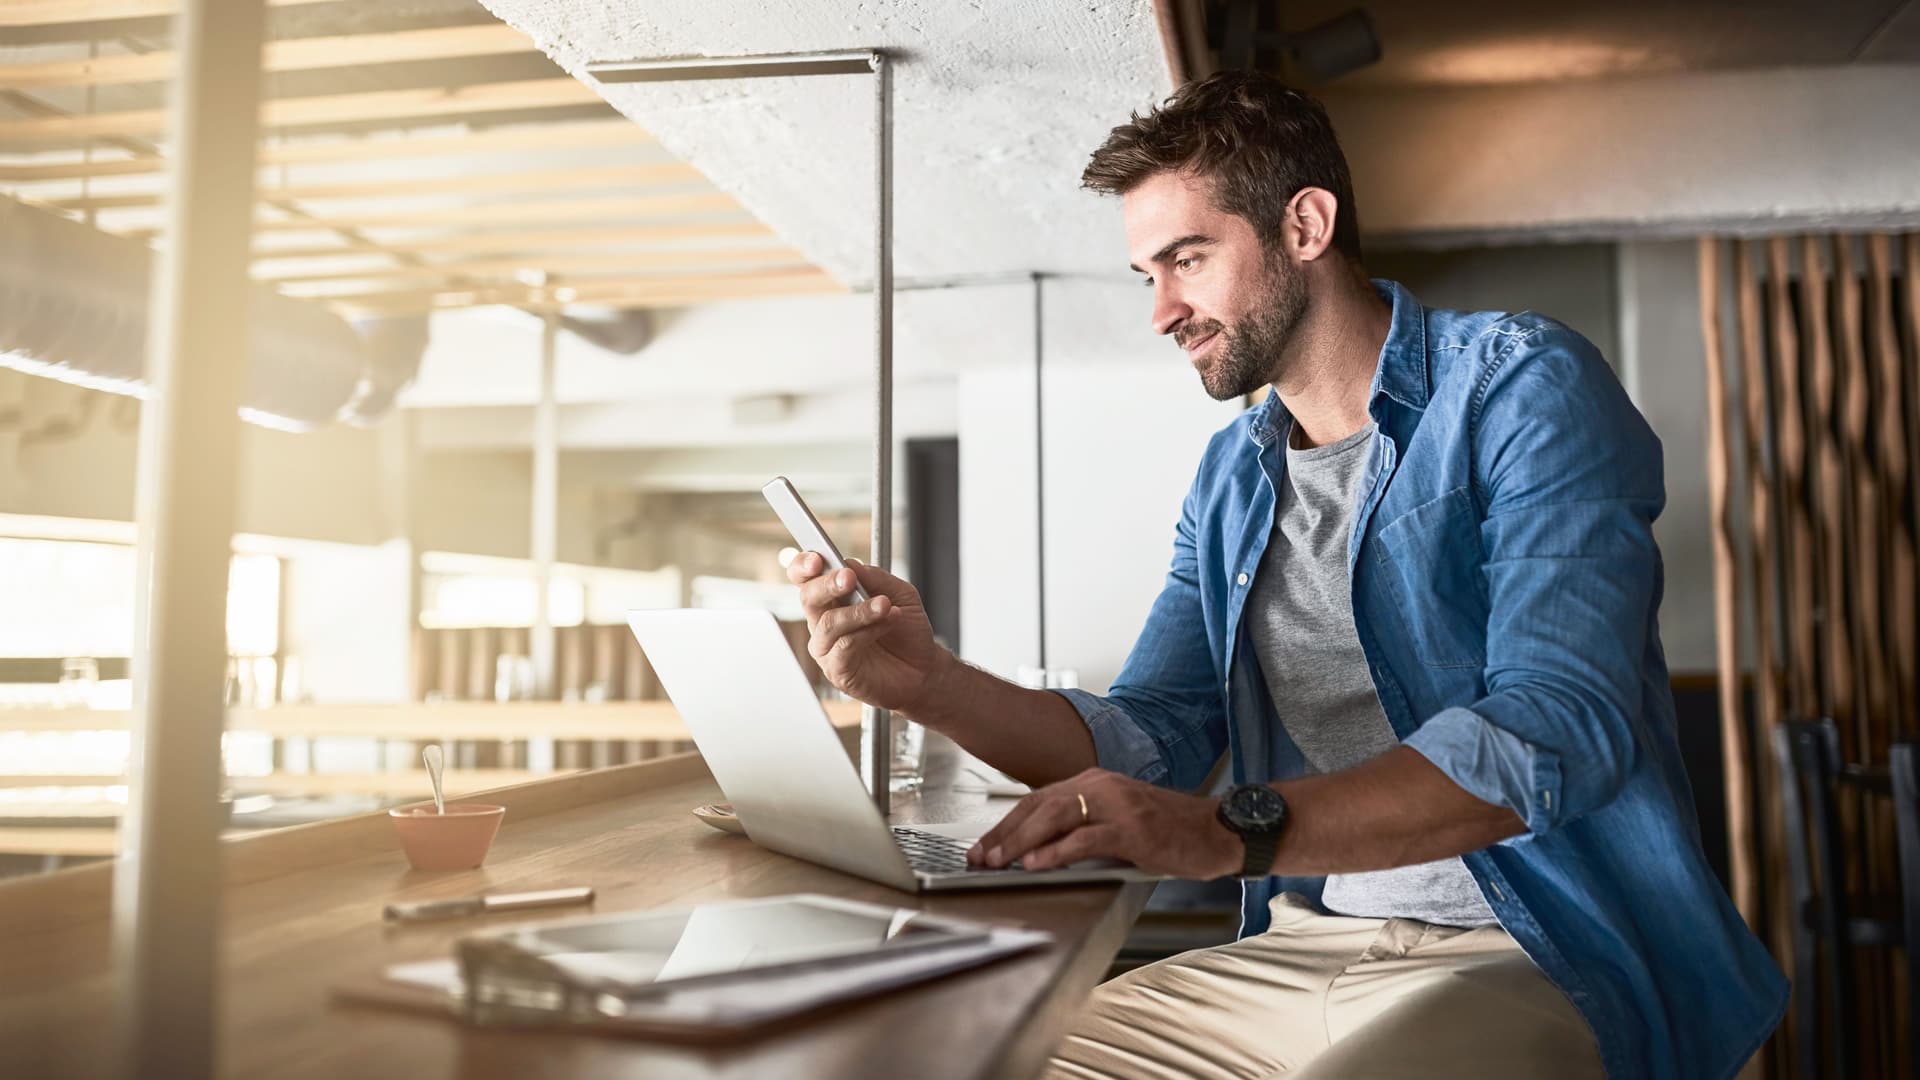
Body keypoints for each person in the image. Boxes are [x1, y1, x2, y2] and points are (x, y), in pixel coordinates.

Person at [785, 70, 1784, 1079]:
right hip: (1300, 944)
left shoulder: (1520, 385)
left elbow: (1558, 724)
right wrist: (930, 684)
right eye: (1149, 275)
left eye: (1188, 259)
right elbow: (1156, 739)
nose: (1162, 310)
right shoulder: (1232, 477)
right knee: (971, 1060)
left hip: (1534, 949)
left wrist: (1230, 831)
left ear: (1304, 225)